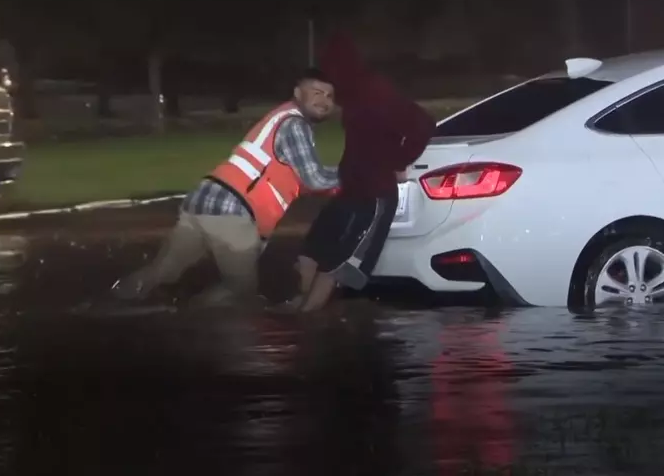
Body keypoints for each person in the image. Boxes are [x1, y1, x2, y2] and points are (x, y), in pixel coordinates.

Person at [109, 68, 341, 308]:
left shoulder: (282, 118)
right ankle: (193, 320)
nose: (324, 100)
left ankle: (110, 303)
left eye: (329, 96)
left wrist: (341, 178)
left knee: (161, 271)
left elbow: (302, 181)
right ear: (297, 93)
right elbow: (316, 179)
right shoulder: (295, 125)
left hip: (204, 200)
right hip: (232, 210)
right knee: (240, 290)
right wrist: (359, 174)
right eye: (316, 92)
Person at [286, 32, 435, 312]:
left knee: (340, 263)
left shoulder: (376, 92)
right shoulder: (353, 95)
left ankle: (307, 320)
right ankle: (297, 308)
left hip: (374, 196)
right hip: (350, 191)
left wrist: (398, 161)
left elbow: (424, 124)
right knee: (313, 249)